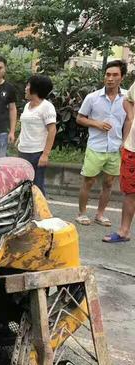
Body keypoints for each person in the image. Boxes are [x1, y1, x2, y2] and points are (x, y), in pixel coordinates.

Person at [75, 60, 128, 227]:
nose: (110, 78)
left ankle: (100, 214)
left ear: (122, 77)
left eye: (115, 75)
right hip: (95, 146)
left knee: (109, 183)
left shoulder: (128, 98)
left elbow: (129, 121)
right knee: (88, 181)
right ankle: (82, 213)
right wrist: (96, 123)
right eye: (108, 74)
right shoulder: (93, 98)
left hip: (115, 147)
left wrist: (125, 142)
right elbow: (80, 118)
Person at [103, 79, 135, 243]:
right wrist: (131, 116)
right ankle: (124, 231)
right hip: (133, 149)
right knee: (130, 192)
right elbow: (127, 100)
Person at [17, 75, 57, 194]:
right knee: (23, 185)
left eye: (28, 86)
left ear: (35, 89)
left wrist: (45, 155)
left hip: (36, 153)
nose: (25, 88)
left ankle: (41, 207)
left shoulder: (47, 107)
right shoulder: (27, 105)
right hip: (23, 151)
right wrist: (19, 138)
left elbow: (52, 130)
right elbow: (26, 125)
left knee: (37, 186)